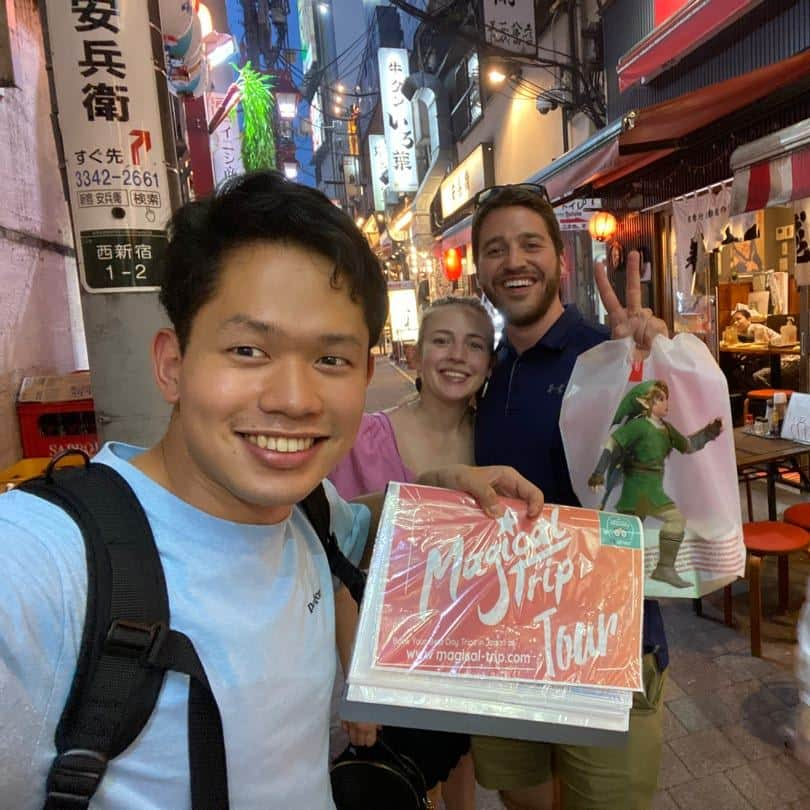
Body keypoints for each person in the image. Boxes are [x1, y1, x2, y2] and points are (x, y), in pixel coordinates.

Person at [0, 171, 544, 809]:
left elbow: (367, 522)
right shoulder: (41, 567)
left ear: (366, 374)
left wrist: (439, 485)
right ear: (172, 364)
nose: (292, 400)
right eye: (249, 350)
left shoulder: (309, 513)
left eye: (329, 359)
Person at [469, 182, 670, 810]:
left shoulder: (610, 355)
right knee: (522, 800)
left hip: (608, 642)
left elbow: (677, 449)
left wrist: (655, 359)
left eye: (531, 244)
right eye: (496, 249)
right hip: (511, 637)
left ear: (560, 258)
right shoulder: (487, 370)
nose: (514, 261)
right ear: (480, 270)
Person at [330, 295, 495, 810]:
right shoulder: (367, 439)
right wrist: (361, 689)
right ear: (416, 355)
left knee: (461, 759)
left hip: (471, 642)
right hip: (394, 654)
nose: (457, 356)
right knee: (411, 779)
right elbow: (339, 569)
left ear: (489, 363)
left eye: (475, 345)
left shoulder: (494, 439)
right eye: (441, 341)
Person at [588, 380, 723, 589]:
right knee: (625, 535)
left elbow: (687, 446)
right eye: (659, 398)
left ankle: (663, 569)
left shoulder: (667, 430)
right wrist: (598, 472)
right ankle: (614, 574)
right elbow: (612, 442)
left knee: (671, 522)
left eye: (665, 398)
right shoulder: (638, 426)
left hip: (653, 489)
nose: (665, 403)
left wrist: (709, 432)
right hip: (636, 489)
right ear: (645, 402)